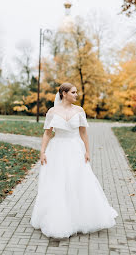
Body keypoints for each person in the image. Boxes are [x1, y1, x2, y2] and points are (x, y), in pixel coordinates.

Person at [30, 82, 118, 238]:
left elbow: (83, 133)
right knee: (58, 183)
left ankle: (81, 217)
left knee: (78, 181)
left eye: (76, 92)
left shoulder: (79, 110)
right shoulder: (52, 112)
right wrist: (42, 152)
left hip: (75, 149)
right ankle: (58, 218)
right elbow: (47, 134)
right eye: (73, 92)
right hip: (57, 150)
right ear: (64, 93)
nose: (76, 95)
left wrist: (87, 151)